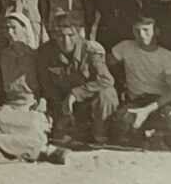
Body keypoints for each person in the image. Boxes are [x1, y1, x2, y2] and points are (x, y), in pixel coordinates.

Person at [39, 12, 118, 145]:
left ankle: (101, 134)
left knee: (107, 93)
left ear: (78, 34)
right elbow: (46, 85)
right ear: (53, 35)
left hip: (89, 101)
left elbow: (106, 80)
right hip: (63, 104)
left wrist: (75, 94)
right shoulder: (45, 52)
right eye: (60, 36)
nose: (66, 41)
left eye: (70, 35)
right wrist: (61, 109)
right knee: (59, 137)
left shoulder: (90, 50)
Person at [109, 16, 171, 149]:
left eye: (146, 30)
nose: (141, 35)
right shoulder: (125, 47)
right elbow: (106, 63)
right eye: (137, 31)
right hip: (137, 100)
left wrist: (146, 111)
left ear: (156, 31)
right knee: (121, 121)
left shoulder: (166, 56)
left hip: (160, 103)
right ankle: (142, 135)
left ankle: (156, 135)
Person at [0, 12, 43, 102]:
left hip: (32, 101)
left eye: (13, 28)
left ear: (24, 28)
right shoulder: (2, 56)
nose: (9, 32)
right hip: (9, 101)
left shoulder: (35, 55)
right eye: (7, 28)